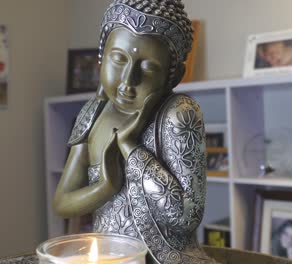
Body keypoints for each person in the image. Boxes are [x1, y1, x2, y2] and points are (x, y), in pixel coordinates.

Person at [53, 0, 216, 263]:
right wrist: (106, 187)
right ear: (100, 56)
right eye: (118, 59)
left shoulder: (178, 113)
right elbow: (62, 203)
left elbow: (186, 215)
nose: (128, 82)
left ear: (173, 77)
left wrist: (132, 151)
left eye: (148, 68)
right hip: (109, 256)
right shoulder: (93, 113)